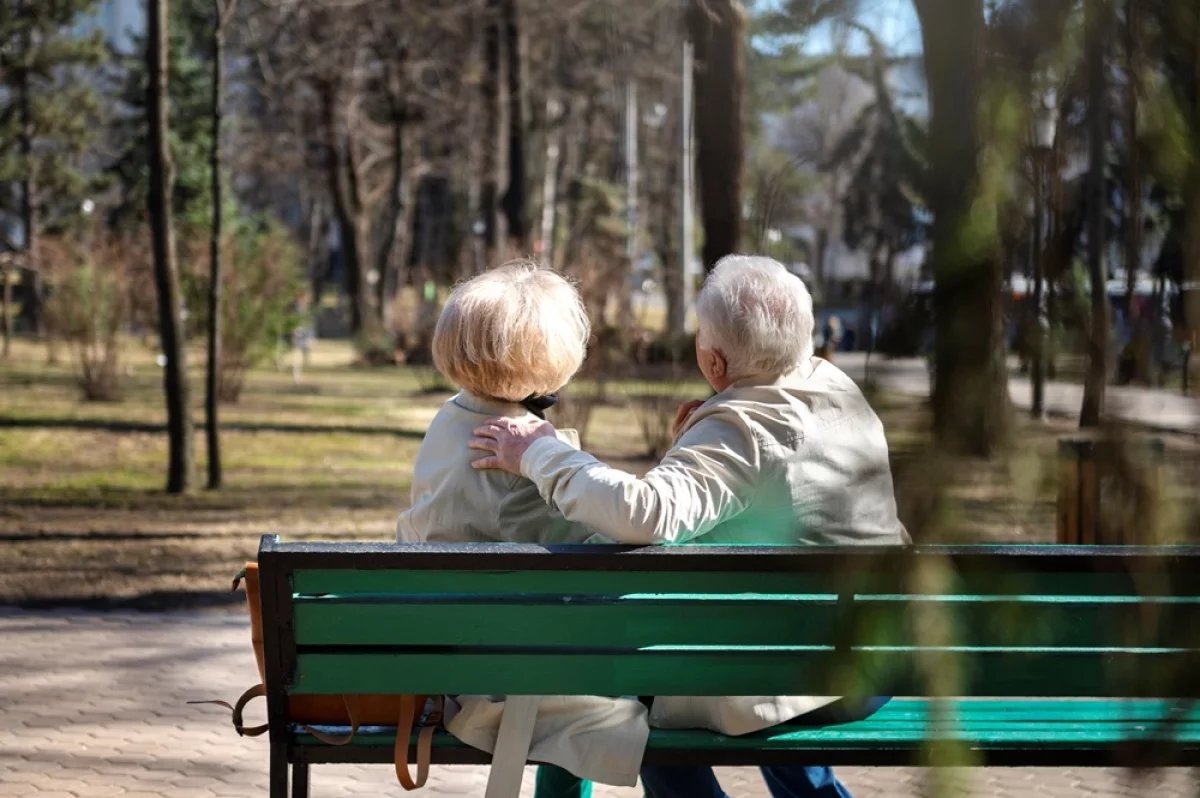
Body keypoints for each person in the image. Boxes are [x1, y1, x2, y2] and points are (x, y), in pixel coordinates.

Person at [470, 255, 909, 798]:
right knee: (761, 657)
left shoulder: (739, 431)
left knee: (634, 693)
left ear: (716, 360)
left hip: (812, 676)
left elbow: (645, 515)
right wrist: (702, 436)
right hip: (883, 658)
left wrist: (540, 452)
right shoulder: (837, 389)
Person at [398, 260, 649, 790]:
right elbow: (600, 553)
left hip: (447, 648)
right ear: (554, 356)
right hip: (501, 675)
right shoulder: (520, 453)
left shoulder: (449, 420)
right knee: (611, 701)